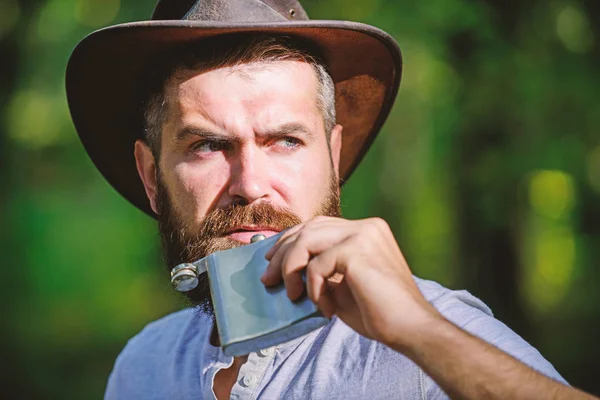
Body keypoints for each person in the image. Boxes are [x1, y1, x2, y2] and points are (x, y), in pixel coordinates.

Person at [66, 0, 597, 399]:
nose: (250, 184)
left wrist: (418, 332)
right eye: (208, 145)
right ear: (152, 177)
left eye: (285, 141)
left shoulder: (434, 337)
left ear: (333, 159)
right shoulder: (143, 366)